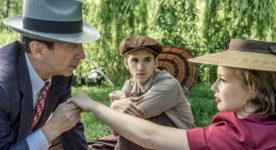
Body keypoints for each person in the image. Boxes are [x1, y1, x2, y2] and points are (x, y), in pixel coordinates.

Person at [71, 38, 276, 150]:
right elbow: (120, 126)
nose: (213, 87)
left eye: (222, 80)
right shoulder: (244, 121)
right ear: (127, 63)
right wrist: (118, 108)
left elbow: (149, 135)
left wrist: (95, 105)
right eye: (134, 60)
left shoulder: (234, 136)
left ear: (253, 87)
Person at [0, 0, 100, 149]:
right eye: (71, 45)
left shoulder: (61, 75)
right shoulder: (3, 87)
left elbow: (70, 127)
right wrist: (52, 128)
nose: (82, 55)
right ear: (38, 50)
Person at [91, 35, 195, 150]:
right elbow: (115, 129)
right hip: (149, 140)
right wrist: (120, 106)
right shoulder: (130, 84)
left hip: (179, 142)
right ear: (126, 64)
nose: (140, 67)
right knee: (93, 146)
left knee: (131, 126)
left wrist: (116, 104)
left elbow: (129, 119)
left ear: (155, 62)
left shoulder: (169, 85)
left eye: (147, 60)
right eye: (135, 60)